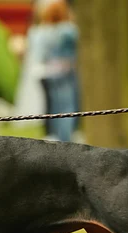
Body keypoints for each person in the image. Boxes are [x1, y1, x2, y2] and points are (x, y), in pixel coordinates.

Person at [34, 0, 79, 142]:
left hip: (50, 71)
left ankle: (56, 136)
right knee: (68, 107)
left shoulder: (43, 31)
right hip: (65, 71)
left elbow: (40, 54)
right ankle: (66, 137)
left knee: (54, 107)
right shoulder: (68, 29)